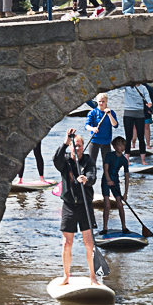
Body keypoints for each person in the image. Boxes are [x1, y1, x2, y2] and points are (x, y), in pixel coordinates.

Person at [53, 128, 99, 286]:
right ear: (71, 147)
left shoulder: (88, 161)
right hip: (69, 206)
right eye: (75, 146)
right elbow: (55, 160)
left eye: (79, 146)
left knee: (89, 244)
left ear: (82, 146)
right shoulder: (65, 160)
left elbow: (93, 177)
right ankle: (66, 276)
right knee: (67, 243)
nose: (77, 149)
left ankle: (93, 277)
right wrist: (66, 142)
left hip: (85, 205)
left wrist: (85, 179)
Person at [100, 136, 130, 235]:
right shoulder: (109, 155)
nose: (122, 147)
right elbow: (105, 169)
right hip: (106, 180)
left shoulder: (124, 160)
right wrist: (108, 180)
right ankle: (105, 228)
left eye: (123, 145)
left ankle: (124, 227)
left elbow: (126, 177)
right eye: (119, 145)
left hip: (115, 181)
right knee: (107, 205)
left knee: (120, 205)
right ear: (114, 146)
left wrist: (125, 193)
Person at [122, 85, 152, 165]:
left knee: (141, 137)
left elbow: (147, 96)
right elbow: (118, 86)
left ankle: (143, 160)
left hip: (139, 114)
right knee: (128, 137)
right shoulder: (127, 86)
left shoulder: (143, 88)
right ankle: (127, 159)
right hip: (128, 113)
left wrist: (149, 103)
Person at [85, 92, 118, 162]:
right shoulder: (92, 113)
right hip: (94, 141)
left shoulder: (111, 113)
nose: (101, 103)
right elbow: (86, 126)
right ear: (97, 101)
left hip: (106, 142)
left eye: (103, 101)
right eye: (99, 101)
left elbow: (115, 125)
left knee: (107, 164)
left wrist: (109, 115)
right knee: (91, 163)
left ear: (106, 102)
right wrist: (92, 129)